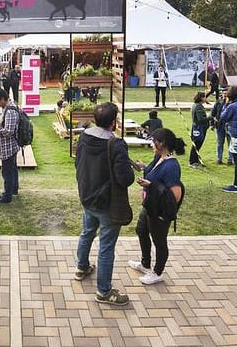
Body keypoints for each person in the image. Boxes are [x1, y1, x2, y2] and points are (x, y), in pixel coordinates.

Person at [74, 102, 135, 305]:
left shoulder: (84, 136)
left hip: (87, 196)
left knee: (87, 232)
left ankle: (81, 267)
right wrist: (130, 168)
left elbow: (78, 163)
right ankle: (104, 291)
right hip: (108, 203)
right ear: (113, 122)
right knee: (106, 247)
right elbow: (125, 178)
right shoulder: (116, 144)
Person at [129, 128, 185, 285]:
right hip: (150, 205)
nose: (151, 144)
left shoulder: (172, 166)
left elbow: (175, 194)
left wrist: (150, 185)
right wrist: (143, 167)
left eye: (154, 142)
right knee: (141, 230)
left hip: (160, 210)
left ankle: (157, 272)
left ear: (162, 144)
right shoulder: (159, 157)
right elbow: (154, 174)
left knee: (159, 241)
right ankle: (145, 264)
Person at [0, 88, 20, 204]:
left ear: (3, 99)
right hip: (11, 146)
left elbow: (9, 131)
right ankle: (13, 190)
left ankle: (7, 196)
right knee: (12, 170)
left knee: (7, 172)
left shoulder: (10, 110)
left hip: (9, 146)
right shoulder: (9, 107)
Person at [211, 93, 232, 165]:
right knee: (220, 143)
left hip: (229, 126)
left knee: (230, 143)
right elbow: (213, 113)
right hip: (220, 126)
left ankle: (230, 160)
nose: (225, 95)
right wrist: (212, 124)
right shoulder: (218, 102)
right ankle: (219, 159)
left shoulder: (232, 103)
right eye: (224, 93)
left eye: (227, 93)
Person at [189, 92, 209, 168]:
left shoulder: (197, 105)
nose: (206, 99)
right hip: (199, 128)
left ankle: (195, 159)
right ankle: (192, 162)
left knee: (197, 144)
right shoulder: (198, 107)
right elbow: (201, 119)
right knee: (197, 144)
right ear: (201, 98)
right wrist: (210, 117)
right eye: (205, 97)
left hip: (198, 127)